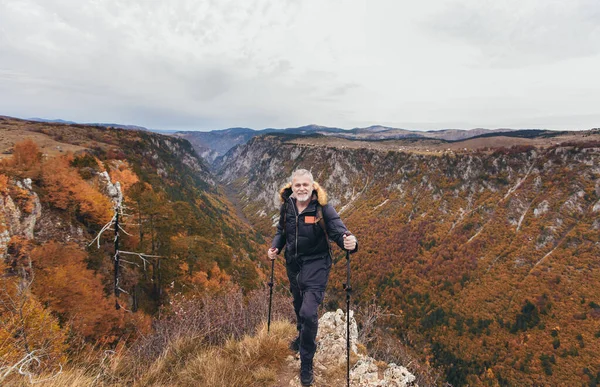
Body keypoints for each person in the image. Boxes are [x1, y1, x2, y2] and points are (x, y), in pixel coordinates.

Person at [268, 169, 358, 386]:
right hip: (294, 264)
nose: (301, 189)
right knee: (299, 305)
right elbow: (282, 231)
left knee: (309, 312)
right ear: (292, 186)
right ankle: (302, 336)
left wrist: (351, 242)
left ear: (312, 186)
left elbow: (339, 231)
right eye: (297, 185)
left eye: (305, 185)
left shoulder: (323, 209)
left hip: (317, 264)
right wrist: (275, 247)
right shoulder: (287, 207)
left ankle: (306, 361)